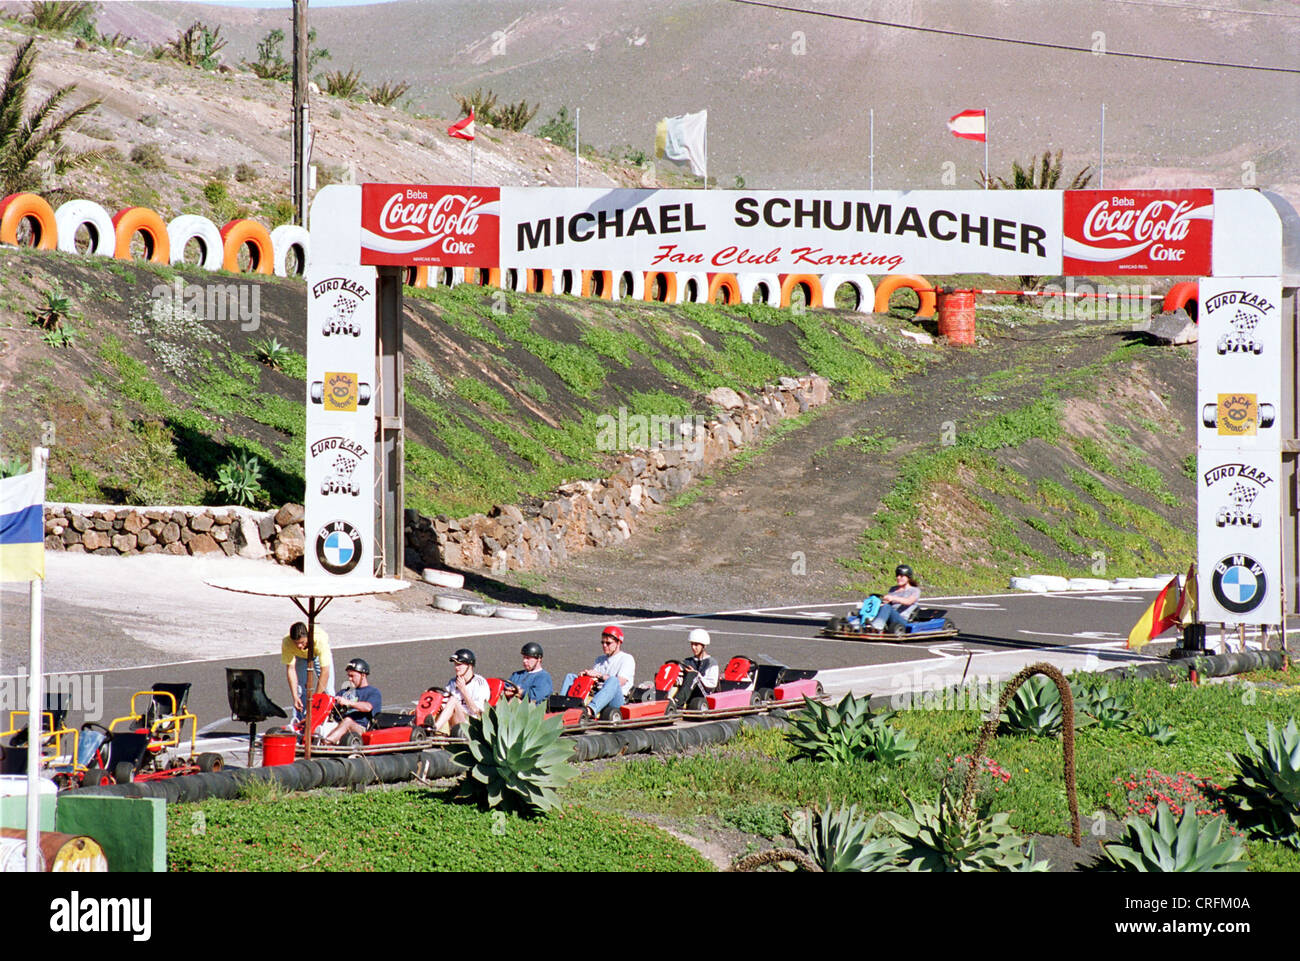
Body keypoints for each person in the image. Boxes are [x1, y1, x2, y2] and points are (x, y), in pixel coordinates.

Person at [560, 625, 636, 721]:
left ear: (618, 643)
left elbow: (620, 682)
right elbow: (594, 679)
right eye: (603, 643)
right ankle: (561, 706)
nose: (604, 645)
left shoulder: (626, 659)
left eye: (608, 643)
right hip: (597, 694)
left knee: (613, 680)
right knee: (571, 676)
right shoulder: (600, 659)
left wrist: (600, 676)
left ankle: (589, 711)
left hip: (616, 699)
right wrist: (586, 675)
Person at [282, 621, 334, 726]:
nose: (299, 646)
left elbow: (325, 672)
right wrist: (295, 696)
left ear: (308, 637)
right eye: (296, 643)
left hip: (317, 654)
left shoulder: (319, 640)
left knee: (328, 690)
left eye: (302, 642)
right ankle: (300, 721)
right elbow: (291, 669)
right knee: (301, 692)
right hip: (300, 657)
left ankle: (328, 720)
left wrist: (316, 700)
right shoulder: (287, 642)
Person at [323, 658, 382, 744]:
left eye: (352, 676)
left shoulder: (373, 692)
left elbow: (368, 707)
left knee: (348, 721)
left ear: (363, 676)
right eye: (348, 676)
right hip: (339, 724)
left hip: (360, 728)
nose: (349, 679)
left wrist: (348, 703)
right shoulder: (344, 692)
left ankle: (325, 743)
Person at [432, 648, 491, 734]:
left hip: (471, 723)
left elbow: (477, 711)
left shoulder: (480, 683)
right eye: (455, 664)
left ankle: (435, 728)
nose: (456, 668)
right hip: (454, 720)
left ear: (469, 666)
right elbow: (445, 702)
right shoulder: (453, 682)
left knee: (453, 700)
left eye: (459, 665)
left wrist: (463, 690)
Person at [870, 564, 922, 632]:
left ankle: (877, 626)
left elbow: (908, 601)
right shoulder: (893, 589)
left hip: (903, 619)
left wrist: (892, 598)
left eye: (901, 576)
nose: (898, 578)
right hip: (890, 617)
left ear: (908, 577)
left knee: (887, 607)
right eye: (897, 575)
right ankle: (862, 623)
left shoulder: (915, 590)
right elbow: (887, 603)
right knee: (878, 606)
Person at [681, 628, 719, 696]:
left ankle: (677, 701)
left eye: (696, 645)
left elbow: (711, 684)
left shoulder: (711, 663)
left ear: (703, 646)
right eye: (692, 644)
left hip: (702, 696)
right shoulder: (687, 661)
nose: (693, 647)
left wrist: (696, 675)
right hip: (687, 693)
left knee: (692, 675)